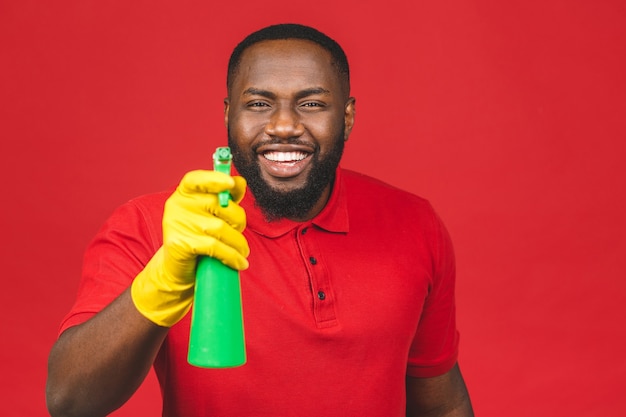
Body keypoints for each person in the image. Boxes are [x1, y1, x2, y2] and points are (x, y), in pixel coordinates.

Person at [46, 23, 474, 417]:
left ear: (346, 117)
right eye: (258, 103)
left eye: (310, 103)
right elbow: (70, 401)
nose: (284, 126)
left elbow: (441, 402)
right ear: (229, 114)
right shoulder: (151, 225)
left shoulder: (415, 224)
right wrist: (164, 279)